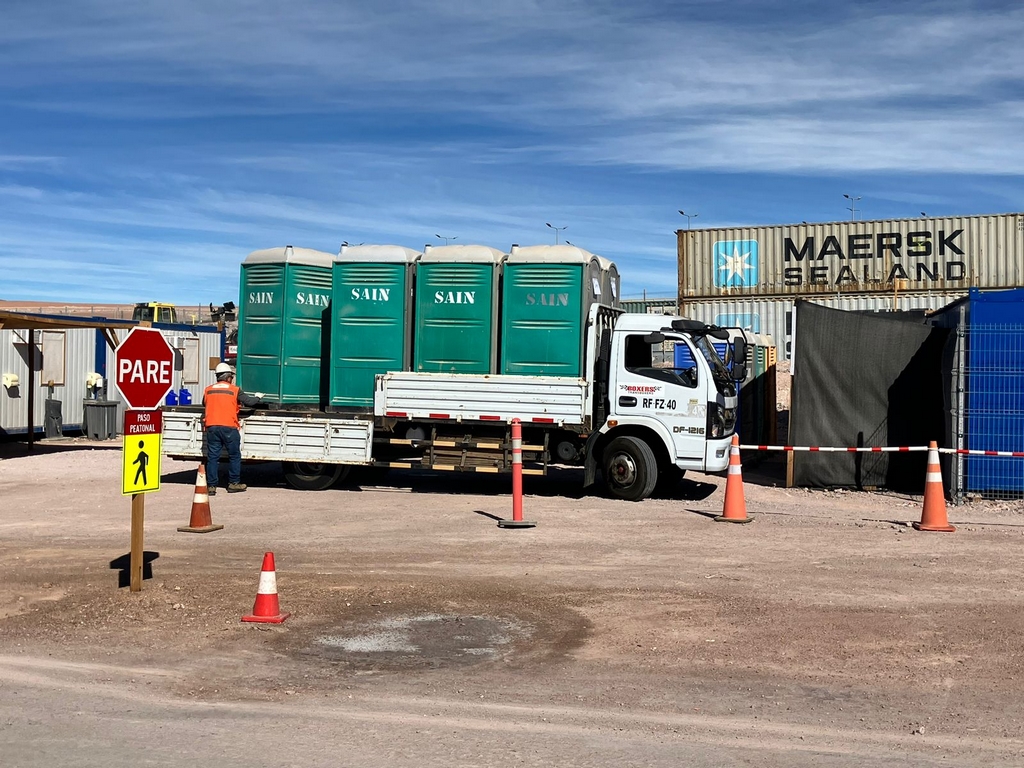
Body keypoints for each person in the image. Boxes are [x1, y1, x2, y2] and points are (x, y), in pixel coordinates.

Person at [203, 362, 264, 494]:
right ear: (228, 377)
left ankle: (211, 486)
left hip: (212, 427)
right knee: (234, 456)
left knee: (212, 458)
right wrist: (258, 397)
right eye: (231, 376)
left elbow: (205, 403)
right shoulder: (235, 390)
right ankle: (233, 483)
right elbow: (250, 402)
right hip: (229, 427)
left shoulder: (208, 390)